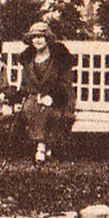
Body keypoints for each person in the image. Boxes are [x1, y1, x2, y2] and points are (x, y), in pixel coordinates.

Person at [18, 20, 75, 163]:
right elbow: (24, 85)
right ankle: (45, 146)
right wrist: (34, 95)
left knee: (50, 110)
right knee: (31, 107)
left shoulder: (59, 59)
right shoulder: (28, 60)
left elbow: (65, 84)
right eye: (34, 37)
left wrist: (52, 97)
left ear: (47, 38)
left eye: (40, 36)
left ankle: (41, 148)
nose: (37, 40)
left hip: (59, 96)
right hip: (35, 97)